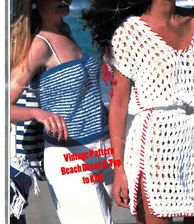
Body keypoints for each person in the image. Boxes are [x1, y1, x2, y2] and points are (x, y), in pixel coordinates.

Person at [82, 0, 194, 223]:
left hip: (192, 147)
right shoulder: (130, 32)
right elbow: (118, 106)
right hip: (152, 150)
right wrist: (118, 169)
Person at [10, 0, 113, 223]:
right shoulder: (40, 44)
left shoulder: (65, 30)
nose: (64, 0)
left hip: (103, 148)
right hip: (70, 155)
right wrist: (38, 114)